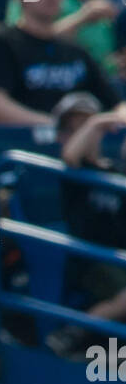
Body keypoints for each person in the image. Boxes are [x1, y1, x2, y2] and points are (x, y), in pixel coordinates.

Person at [53, 90, 126, 353]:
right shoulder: (73, 173)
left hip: (119, 257)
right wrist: (96, 122)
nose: (84, 132)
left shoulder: (113, 171)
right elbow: (71, 156)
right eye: (74, 128)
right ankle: (75, 332)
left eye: (89, 126)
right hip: (88, 261)